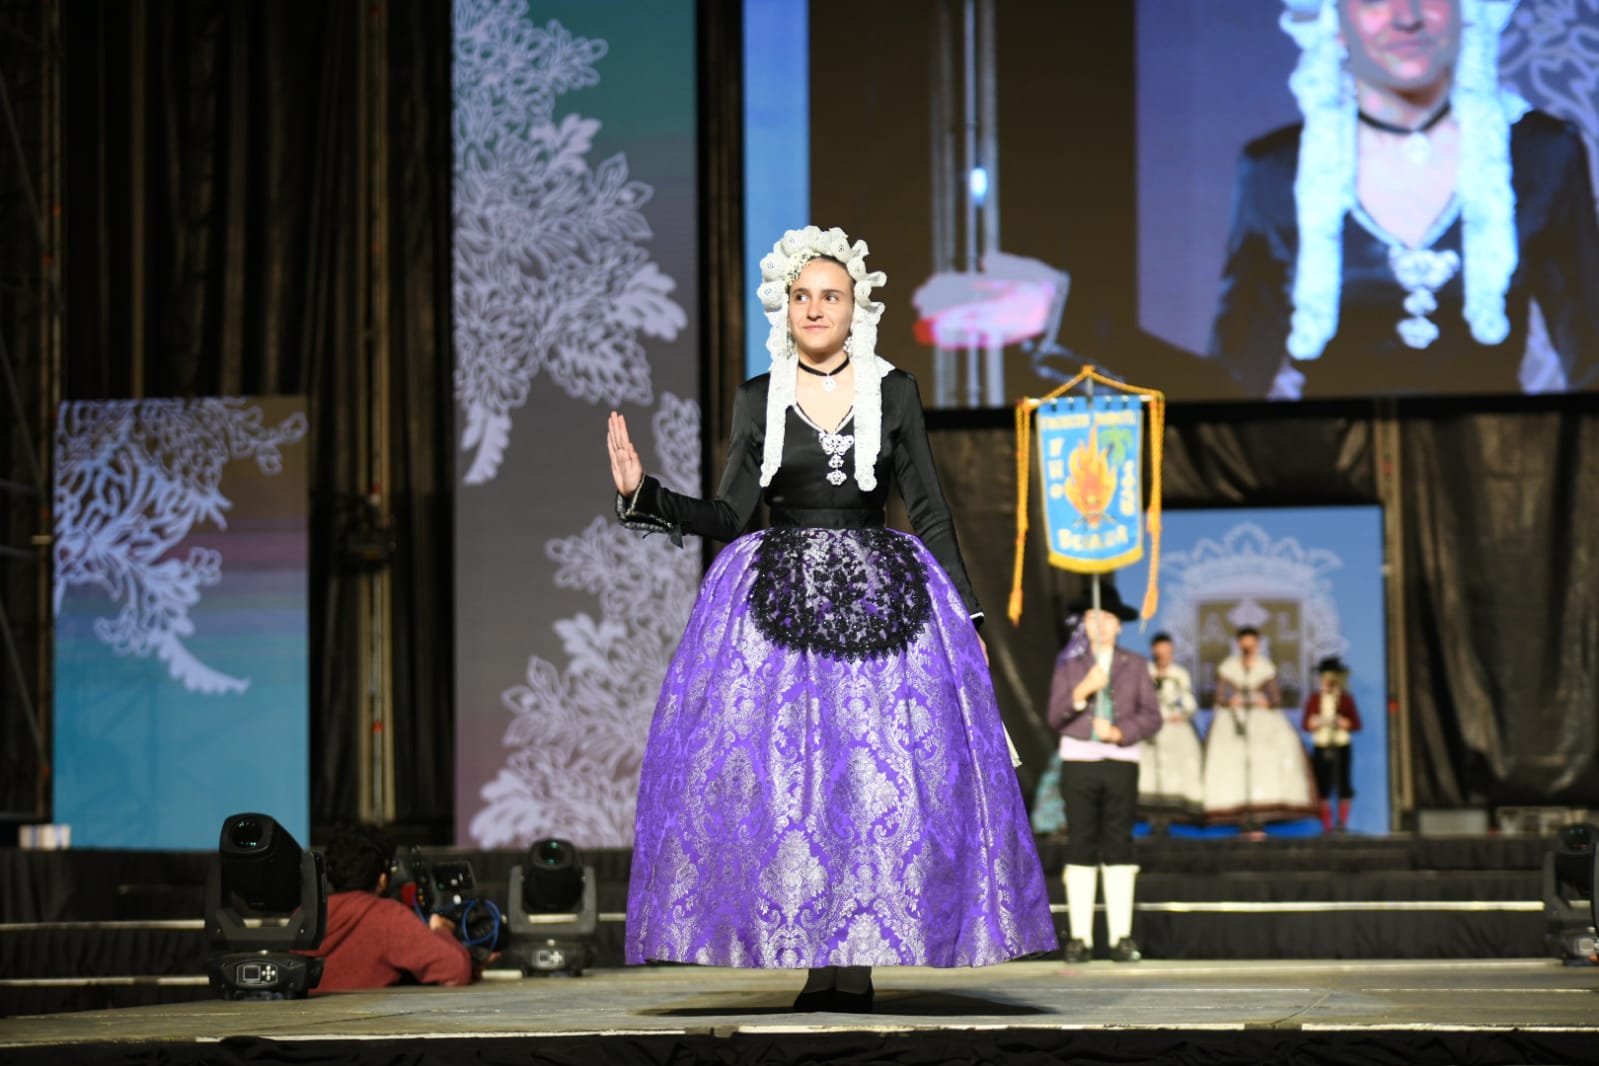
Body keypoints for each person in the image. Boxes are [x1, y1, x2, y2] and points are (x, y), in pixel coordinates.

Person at [607, 225, 1056, 1012]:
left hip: (883, 596)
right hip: (777, 598)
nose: (816, 307)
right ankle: (818, 964)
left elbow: (931, 511)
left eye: (832, 296)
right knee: (795, 791)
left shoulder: (895, 390)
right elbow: (728, 512)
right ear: (785, 306)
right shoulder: (759, 397)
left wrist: (968, 620)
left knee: (872, 782)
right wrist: (644, 495)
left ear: (855, 309)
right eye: (803, 295)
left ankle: (860, 964)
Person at [1210, 0, 1599, 399]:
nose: (1407, 17)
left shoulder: (1541, 155)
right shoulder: (1276, 170)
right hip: (1325, 458)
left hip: (1495, 454)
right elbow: (1232, 385)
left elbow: (1591, 353)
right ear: (1335, 21)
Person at [1047, 585, 1163, 963]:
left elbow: (1152, 716)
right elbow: (1055, 715)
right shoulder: (1070, 663)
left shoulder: (1135, 663)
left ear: (1118, 626)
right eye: (1093, 619)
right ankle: (1079, 937)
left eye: (1107, 619)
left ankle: (1121, 937)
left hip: (1120, 762)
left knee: (1118, 843)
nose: (1099, 626)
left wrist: (1121, 731)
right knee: (1080, 842)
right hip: (1079, 761)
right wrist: (1083, 690)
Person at [301, 825, 474, 993]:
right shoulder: (387, 917)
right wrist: (440, 929)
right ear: (383, 879)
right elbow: (456, 970)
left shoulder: (304, 915)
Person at [1202, 627, 1320, 829]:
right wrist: (1232, 701)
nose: (1248, 646)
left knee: (1267, 757)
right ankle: (1240, 813)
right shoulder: (1229, 666)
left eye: (1252, 642)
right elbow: (1220, 696)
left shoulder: (1265, 666)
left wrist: (1264, 702)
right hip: (1235, 718)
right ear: (1239, 643)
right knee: (1233, 758)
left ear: (1257, 643)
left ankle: (1261, 814)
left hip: (1261, 720)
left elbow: (1275, 697)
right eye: (1244, 642)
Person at [1138, 632, 1205, 826]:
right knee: (1149, 768)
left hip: (1174, 726)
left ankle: (1174, 815)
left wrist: (1182, 714)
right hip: (1151, 727)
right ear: (1154, 650)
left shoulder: (1179, 673)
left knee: (1179, 765)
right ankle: (1152, 815)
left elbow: (1189, 702)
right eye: (1162, 651)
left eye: (1169, 651)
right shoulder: (1146, 671)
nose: (1165, 655)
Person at [1303, 655, 1363, 831]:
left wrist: (1345, 723)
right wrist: (1315, 723)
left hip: (1341, 745)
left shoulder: (1345, 699)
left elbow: (1357, 724)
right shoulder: (1315, 699)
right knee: (1323, 787)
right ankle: (1327, 827)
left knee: (1344, 784)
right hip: (1322, 745)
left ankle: (1342, 824)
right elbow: (1306, 724)